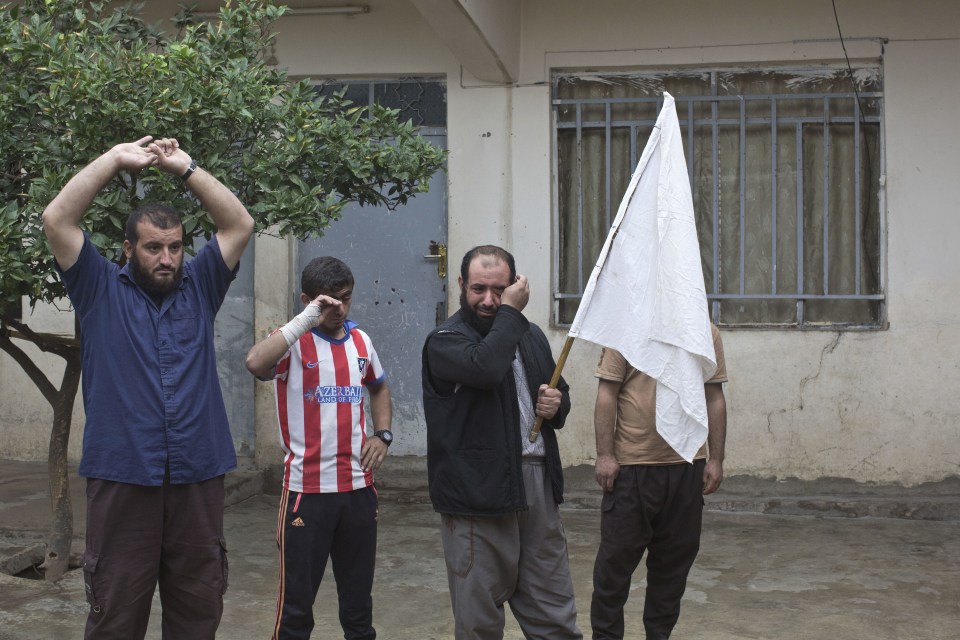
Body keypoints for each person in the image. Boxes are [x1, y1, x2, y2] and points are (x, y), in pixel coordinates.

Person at [42, 136, 254, 639]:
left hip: (197, 473)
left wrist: (186, 168)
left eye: (175, 247)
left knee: (198, 610)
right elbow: (57, 221)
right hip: (123, 475)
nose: (166, 258)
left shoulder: (201, 285)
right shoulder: (97, 288)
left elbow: (239, 223)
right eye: (153, 247)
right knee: (115, 611)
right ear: (129, 249)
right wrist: (114, 158)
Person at [421, 245, 583, 640]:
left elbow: (555, 392)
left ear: (513, 284)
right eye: (479, 289)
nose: (490, 300)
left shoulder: (530, 337)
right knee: (480, 621)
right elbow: (487, 366)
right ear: (460, 285)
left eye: (500, 289)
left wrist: (556, 403)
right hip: (477, 492)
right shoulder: (445, 341)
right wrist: (512, 313)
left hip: (537, 488)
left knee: (555, 613)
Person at [245, 256, 392, 640]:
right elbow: (255, 362)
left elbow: (378, 385)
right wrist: (305, 319)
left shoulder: (361, 340)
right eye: (329, 301)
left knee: (359, 608)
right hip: (306, 494)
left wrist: (384, 434)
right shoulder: (293, 343)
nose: (340, 309)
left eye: (346, 299)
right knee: (296, 610)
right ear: (309, 300)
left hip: (359, 491)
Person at [589, 325, 728, 640]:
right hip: (632, 468)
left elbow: (714, 396)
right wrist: (605, 455)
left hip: (686, 465)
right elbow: (607, 392)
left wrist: (716, 458)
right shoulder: (625, 327)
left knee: (672, 571)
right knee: (612, 572)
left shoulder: (704, 332)